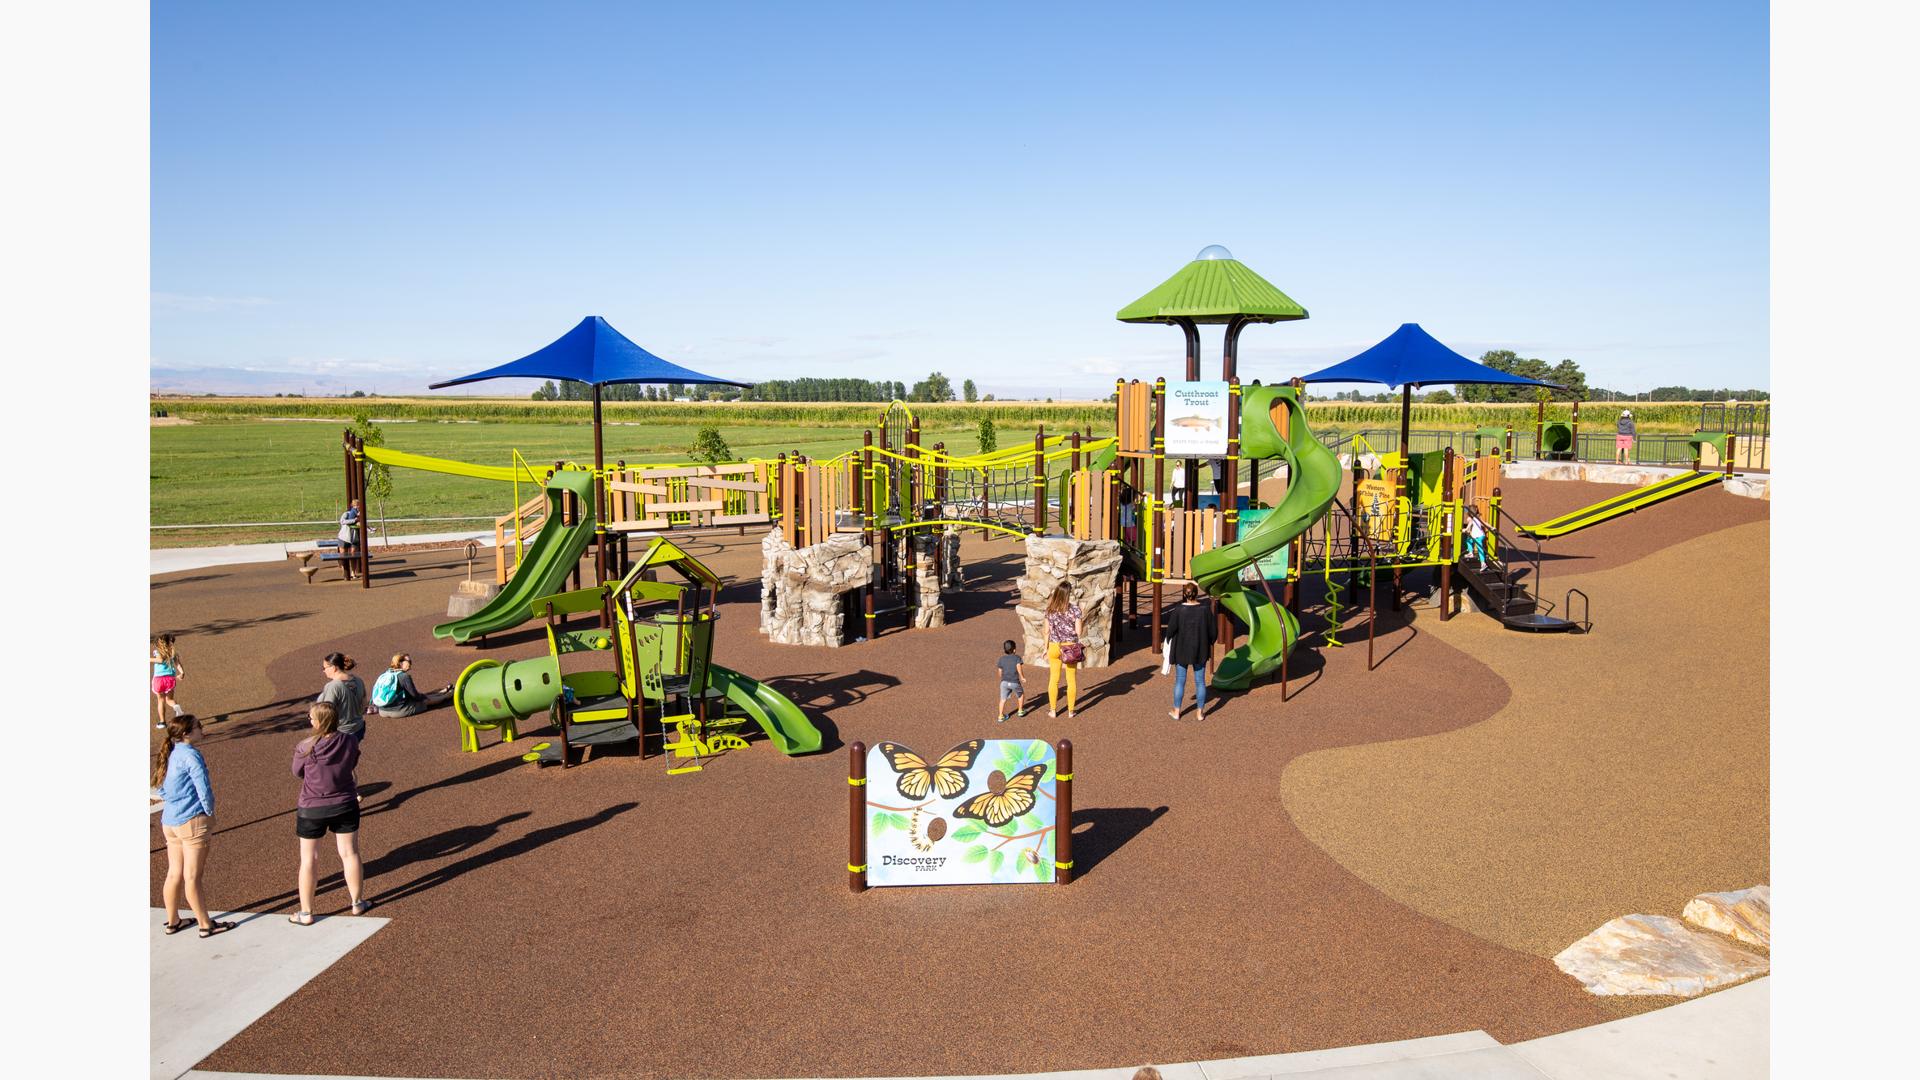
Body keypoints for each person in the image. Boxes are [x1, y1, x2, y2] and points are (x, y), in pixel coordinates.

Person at [155, 713, 234, 937]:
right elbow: (203, 788)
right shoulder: (191, 756)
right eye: (198, 726)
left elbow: (160, 786)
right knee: (193, 877)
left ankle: (173, 921)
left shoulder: (170, 754)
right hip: (192, 820)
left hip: (170, 820)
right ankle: (205, 924)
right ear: (187, 733)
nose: (202, 729)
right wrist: (208, 812)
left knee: (174, 873)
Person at [290, 702, 369, 923]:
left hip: (311, 807)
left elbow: (297, 772)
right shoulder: (350, 741)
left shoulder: (305, 746)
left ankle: (306, 912)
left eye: (311, 717)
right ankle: (357, 902)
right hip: (344, 803)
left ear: (317, 721)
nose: (309, 720)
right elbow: (353, 762)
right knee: (350, 853)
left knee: (309, 859)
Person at [1166, 583, 1215, 719]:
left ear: (1184, 594)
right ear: (1196, 594)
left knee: (1180, 681)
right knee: (1200, 681)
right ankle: (1200, 712)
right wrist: (1209, 641)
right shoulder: (1205, 610)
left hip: (1181, 649)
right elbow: (1213, 632)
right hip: (1200, 649)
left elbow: (1170, 631)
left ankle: (1176, 711)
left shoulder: (1178, 610)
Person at [1043, 585, 1083, 719]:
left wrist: (1045, 648)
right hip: (1070, 648)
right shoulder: (1075, 610)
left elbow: (1046, 632)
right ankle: (1071, 711)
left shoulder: (1050, 610)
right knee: (1071, 679)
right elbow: (1079, 632)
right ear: (1068, 594)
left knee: (1054, 679)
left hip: (1054, 646)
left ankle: (1053, 711)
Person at [371, 654, 453, 718]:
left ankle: (443, 691)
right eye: (408, 661)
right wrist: (426, 697)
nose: (411, 663)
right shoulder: (404, 677)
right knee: (425, 700)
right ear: (400, 663)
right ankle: (448, 695)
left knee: (422, 696)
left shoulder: (386, 674)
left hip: (382, 711)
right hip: (399, 711)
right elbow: (416, 696)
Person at [317, 652, 369, 741]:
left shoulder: (333, 686)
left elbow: (326, 713)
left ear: (333, 668)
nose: (323, 670)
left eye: (324, 668)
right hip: (359, 728)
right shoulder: (359, 680)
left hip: (341, 733)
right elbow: (364, 703)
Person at [151, 633, 184, 729]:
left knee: (161, 700)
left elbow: (160, 660)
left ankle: (162, 722)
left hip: (159, 679)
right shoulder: (173, 652)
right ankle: (176, 707)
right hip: (170, 679)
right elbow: (178, 664)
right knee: (169, 699)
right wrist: (182, 673)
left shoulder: (157, 652)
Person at [994, 639, 1027, 723]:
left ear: (1004, 650)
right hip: (1014, 682)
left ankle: (1000, 716)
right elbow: (1019, 668)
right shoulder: (1017, 658)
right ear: (1014, 649)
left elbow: (1000, 671)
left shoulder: (1001, 659)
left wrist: (1002, 679)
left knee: (1002, 699)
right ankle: (1020, 711)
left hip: (1004, 682)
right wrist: (1022, 677)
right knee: (1021, 695)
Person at [336, 505, 361, 580]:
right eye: (356, 507)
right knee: (343, 556)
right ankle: (345, 572)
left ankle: (353, 572)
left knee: (354, 555)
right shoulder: (346, 514)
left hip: (354, 538)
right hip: (343, 537)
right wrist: (354, 520)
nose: (358, 508)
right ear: (353, 506)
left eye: (359, 507)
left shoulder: (360, 516)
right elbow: (342, 521)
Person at [1464, 504, 1491, 570]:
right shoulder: (1478, 517)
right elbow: (1484, 523)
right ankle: (1470, 553)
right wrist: (1491, 527)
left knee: (1480, 549)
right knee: (1468, 540)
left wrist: (1465, 529)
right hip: (1481, 535)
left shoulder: (1471, 519)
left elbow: (1469, 525)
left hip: (1477, 536)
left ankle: (1483, 563)